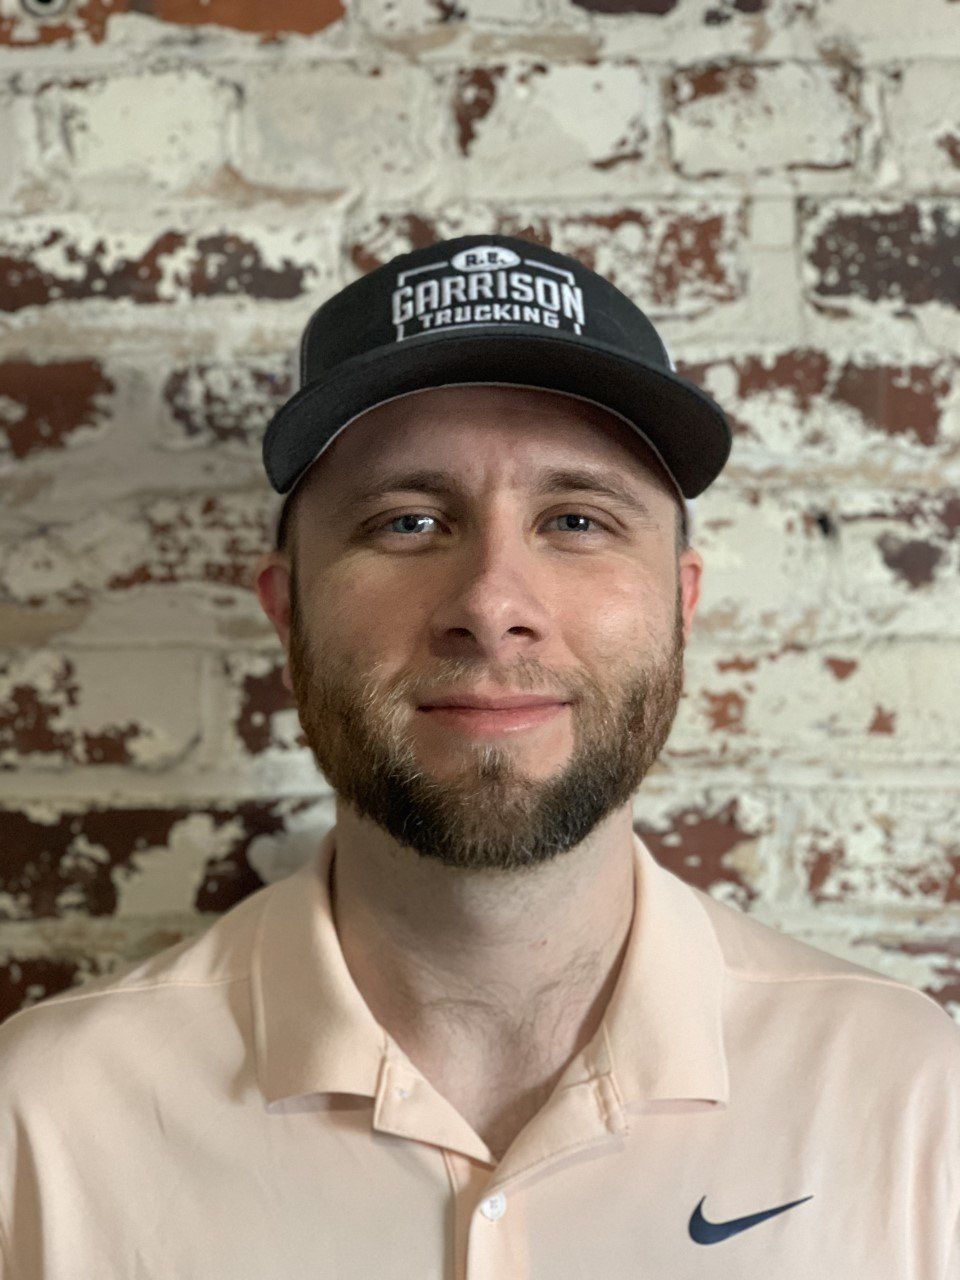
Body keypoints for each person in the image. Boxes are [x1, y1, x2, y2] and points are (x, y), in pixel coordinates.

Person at [0, 235, 957, 1278]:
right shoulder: (46, 1125)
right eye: (408, 520)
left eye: (576, 519)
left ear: (682, 605)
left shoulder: (907, 1098)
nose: (493, 606)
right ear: (288, 610)